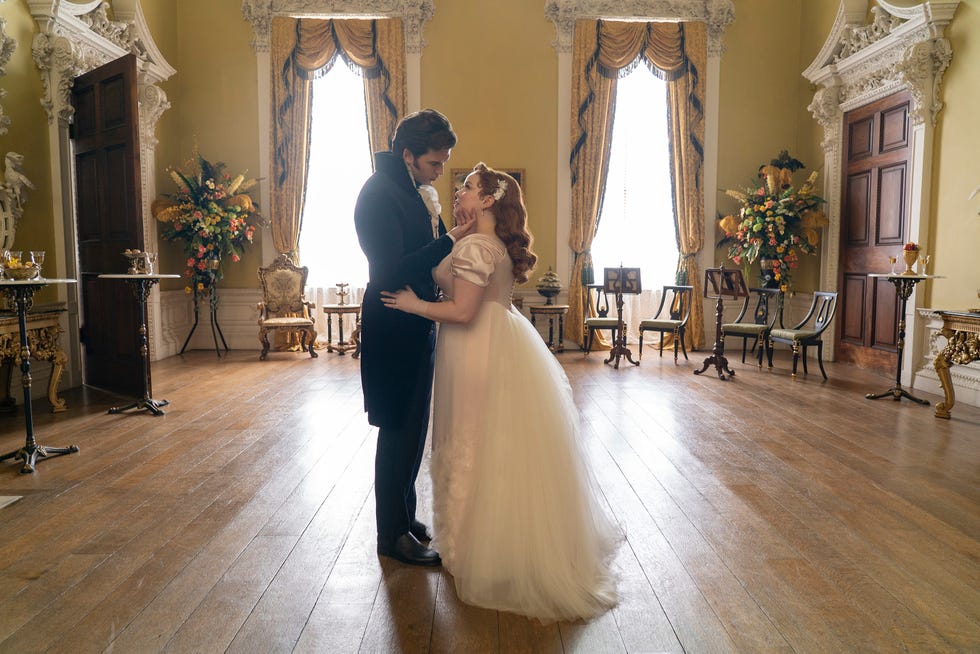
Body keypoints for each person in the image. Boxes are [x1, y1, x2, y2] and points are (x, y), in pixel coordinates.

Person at [381, 163, 619, 622]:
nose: (459, 193)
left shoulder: (477, 246)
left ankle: (476, 546)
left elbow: (463, 310)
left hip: (475, 349)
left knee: (472, 435)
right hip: (495, 341)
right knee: (492, 440)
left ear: (489, 200)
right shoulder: (486, 243)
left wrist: (412, 304)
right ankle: (486, 536)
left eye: (467, 187)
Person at [354, 109, 476, 567]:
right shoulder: (378, 194)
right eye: (434, 164)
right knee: (396, 430)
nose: (441, 172)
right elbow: (388, 269)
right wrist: (451, 240)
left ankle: (405, 516)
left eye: (444, 163)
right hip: (391, 322)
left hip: (417, 321)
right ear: (407, 154)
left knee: (413, 428)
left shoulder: (413, 189)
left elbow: (430, 252)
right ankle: (391, 536)